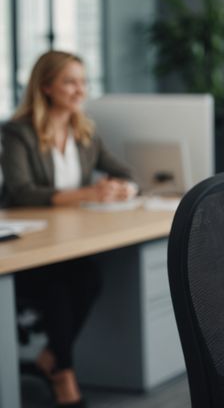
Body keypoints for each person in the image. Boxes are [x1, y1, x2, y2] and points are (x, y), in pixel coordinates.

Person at [1, 50, 137, 407]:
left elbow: (124, 171)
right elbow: (20, 190)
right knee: (63, 284)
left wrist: (122, 188)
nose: (80, 90)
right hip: (28, 244)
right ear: (46, 87)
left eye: (83, 81)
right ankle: (64, 378)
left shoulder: (84, 130)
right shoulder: (18, 132)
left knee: (88, 277)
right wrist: (87, 192)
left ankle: (51, 357)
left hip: (68, 236)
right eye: (70, 82)